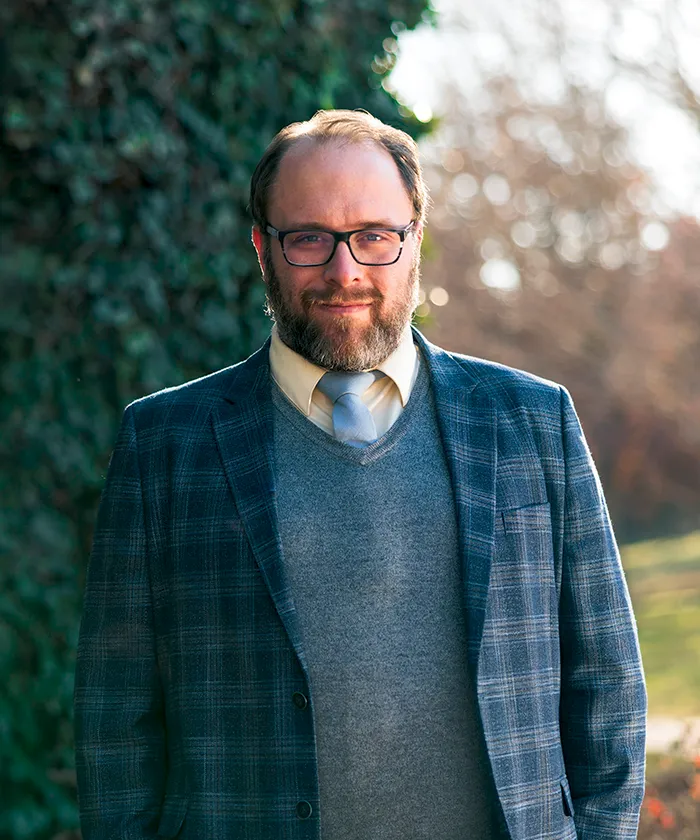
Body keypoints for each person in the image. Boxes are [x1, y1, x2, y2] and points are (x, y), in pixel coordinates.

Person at [74, 109, 647, 840]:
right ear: (262, 248)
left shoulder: (533, 422)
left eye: (374, 236)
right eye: (309, 238)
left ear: (414, 242)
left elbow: (609, 690)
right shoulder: (164, 446)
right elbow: (115, 721)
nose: (344, 271)